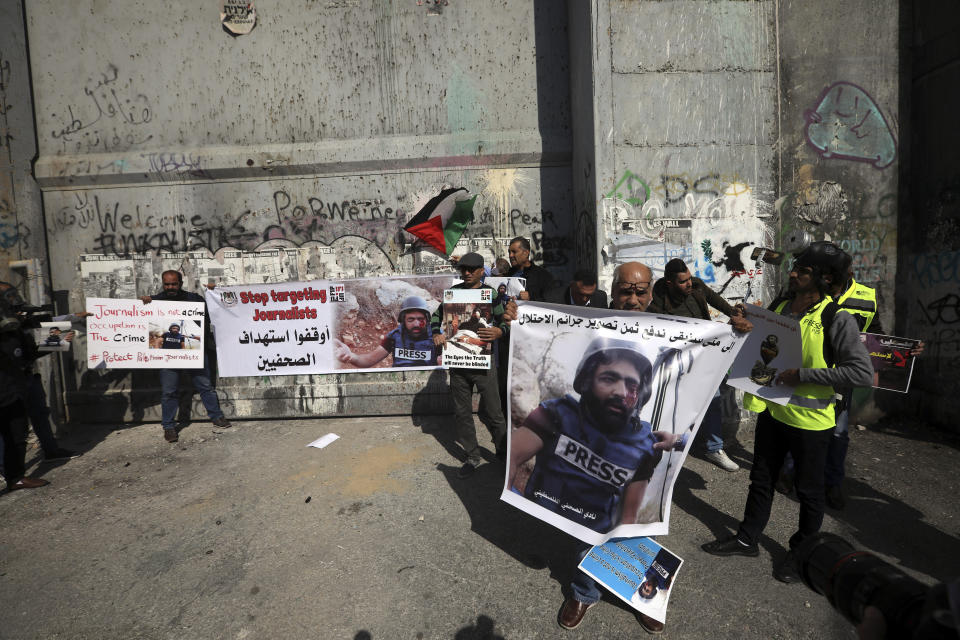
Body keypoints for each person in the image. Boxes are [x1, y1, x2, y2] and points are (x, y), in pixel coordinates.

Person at [701, 241, 873, 584]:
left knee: (809, 493)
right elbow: (763, 345)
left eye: (802, 271)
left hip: (811, 423)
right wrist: (742, 326)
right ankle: (747, 538)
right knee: (761, 479)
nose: (792, 273)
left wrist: (805, 376)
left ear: (824, 278)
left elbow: (861, 372)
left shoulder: (834, 318)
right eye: (795, 268)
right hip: (774, 414)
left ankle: (801, 554)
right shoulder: (781, 304)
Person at [554, 261, 674, 634]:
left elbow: (721, 353)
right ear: (614, 289)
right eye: (626, 290)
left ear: (651, 292)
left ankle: (640, 593)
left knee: (637, 523)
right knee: (588, 519)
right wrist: (516, 318)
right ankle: (584, 591)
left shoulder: (677, 330)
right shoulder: (592, 324)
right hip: (594, 444)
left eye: (641, 291)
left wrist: (738, 333)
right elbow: (544, 329)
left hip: (642, 447)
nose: (633, 298)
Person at [508, 336, 681, 534]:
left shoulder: (644, 446)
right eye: (609, 378)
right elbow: (511, 458)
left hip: (588, 541)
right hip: (535, 526)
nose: (621, 392)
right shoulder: (557, 414)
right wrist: (514, 503)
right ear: (587, 380)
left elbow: (628, 518)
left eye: (632, 385)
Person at [647, 258, 752, 472]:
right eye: (682, 281)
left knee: (713, 400)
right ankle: (668, 453)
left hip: (708, 356)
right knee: (674, 406)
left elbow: (719, 303)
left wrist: (736, 314)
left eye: (689, 278)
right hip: (680, 363)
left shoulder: (696, 286)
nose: (688, 283)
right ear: (669, 283)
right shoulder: (658, 302)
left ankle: (714, 448)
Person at [431, 252, 508, 478]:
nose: (466, 273)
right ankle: (473, 456)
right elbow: (437, 317)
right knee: (462, 413)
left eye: (471, 269)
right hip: (458, 365)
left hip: (484, 366)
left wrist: (499, 331)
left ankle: (503, 454)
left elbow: (505, 321)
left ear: (481, 270)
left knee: (494, 412)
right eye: (463, 269)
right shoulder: (453, 294)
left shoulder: (490, 294)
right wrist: (437, 333)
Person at [141, 270, 231, 443]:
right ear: (162, 283)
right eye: (167, 284)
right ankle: (168, 427)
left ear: (180, 283)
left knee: (205, 385)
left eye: (174, 284)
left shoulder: (195, 299)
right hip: (168, 356)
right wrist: (143, 303)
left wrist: (214, 293)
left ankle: (216, 417)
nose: (170, 287)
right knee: (169, 391)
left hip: (193, 353)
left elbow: (215, 312)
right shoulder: (154, 301)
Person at [0, 283, 51, 491]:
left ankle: (16, 477)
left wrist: (56, 342)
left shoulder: (15, 331)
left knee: (17, 434)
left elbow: (29, 354)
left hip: (13, 390)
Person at [334, 296, 439, 368]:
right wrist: (351, 356)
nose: (416, 324)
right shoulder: (395, 336)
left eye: (420, 319)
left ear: (427, 320)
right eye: (411, 319)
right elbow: (368, 360)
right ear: (403, 320)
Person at [507, 236, 556, 301]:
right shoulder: (507, 275)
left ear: (526, 253)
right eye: (509, 252)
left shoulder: (543, 276)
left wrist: (531, 298)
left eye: (514, 252)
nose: (510, 255)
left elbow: (551, 303)